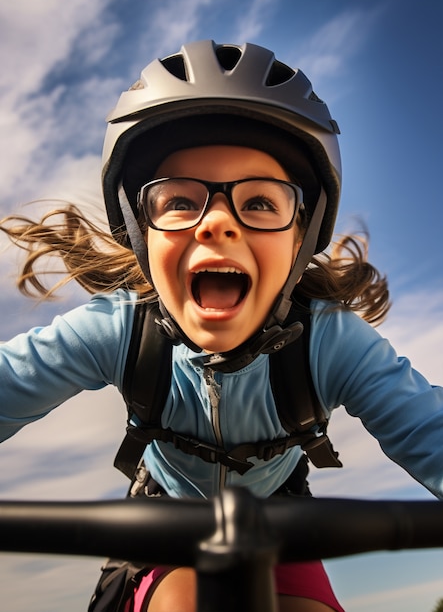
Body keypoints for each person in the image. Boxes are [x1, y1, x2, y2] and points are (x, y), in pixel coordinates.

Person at [0, 39, 442, 612]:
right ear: (142, 235)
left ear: (300, 240)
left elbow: (430, 431)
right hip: (162, 519)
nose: (216, 223)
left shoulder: (330, 342)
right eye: (179, 201)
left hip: (283, 521)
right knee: (185, 599)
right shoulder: (121, 330)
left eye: (259, 203)